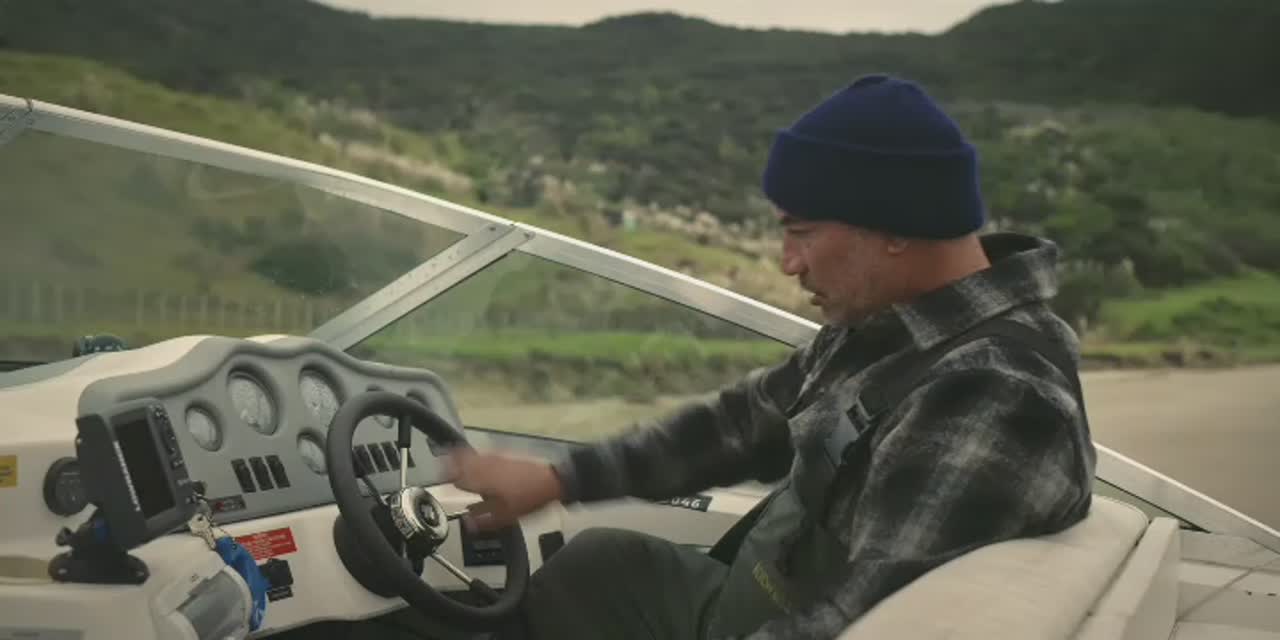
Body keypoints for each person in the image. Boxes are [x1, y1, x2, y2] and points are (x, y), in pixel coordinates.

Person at [448, 74, 1098, 639]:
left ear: (896, 228)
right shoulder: (891, 331)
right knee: (598, 565)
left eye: (802, 233)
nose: (788, 263)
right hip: (752, 605)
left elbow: (871, 621)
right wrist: (557, 480)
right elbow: (738, 426)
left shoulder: (992, 393)